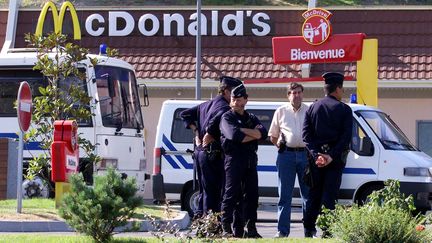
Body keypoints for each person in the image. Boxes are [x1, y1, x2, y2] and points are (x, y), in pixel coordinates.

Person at [180, 76, 242, 218]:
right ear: (226, 91)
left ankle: (202, 223)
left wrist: (196, 132)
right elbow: (214, 126)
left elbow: (185, 114)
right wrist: (206, 134)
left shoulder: (205, 105)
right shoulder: (224, 108)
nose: (236, 95)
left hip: (201, 153)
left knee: (204, 191)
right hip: (213, 154)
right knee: (214, 192)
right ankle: (211, 226)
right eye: (234, 91)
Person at [302, 72, 353, 238]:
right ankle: (328, 230)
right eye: (342, 89)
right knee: (330, 195)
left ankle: (308, 229)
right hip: (335, 160)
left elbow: (306, 136)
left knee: (313, 195)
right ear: (337, 88)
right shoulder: (344, 109)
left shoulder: (312, 108)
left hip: (314, 160)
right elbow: (345, 138)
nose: (342, 92)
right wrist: (330, 155)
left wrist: (317, 155)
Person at [219, 84, 267, 238]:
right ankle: (226, 226)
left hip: (250, 161)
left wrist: (244, 131)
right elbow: (233, 136)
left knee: (252, 196)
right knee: (231, 194)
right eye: (233, 99)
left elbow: (263, 134)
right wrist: (252, 134)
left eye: (238, 99)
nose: (235, 102)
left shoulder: (251, 118)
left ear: (246, 100)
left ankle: (251, 228)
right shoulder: (227, 117)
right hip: (234, 160)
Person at [268, 82, 310, 238]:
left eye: (299, 92)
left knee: (307, 195)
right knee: (284, 196)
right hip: (286, 155)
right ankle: (282, 231)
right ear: (288, 95)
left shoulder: (309, 110)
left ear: (302, 94)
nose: (297, 95)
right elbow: (272, 135)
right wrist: (278, 142)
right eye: (293, 92)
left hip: (306, 156)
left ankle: (309, 231)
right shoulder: (281, 111)